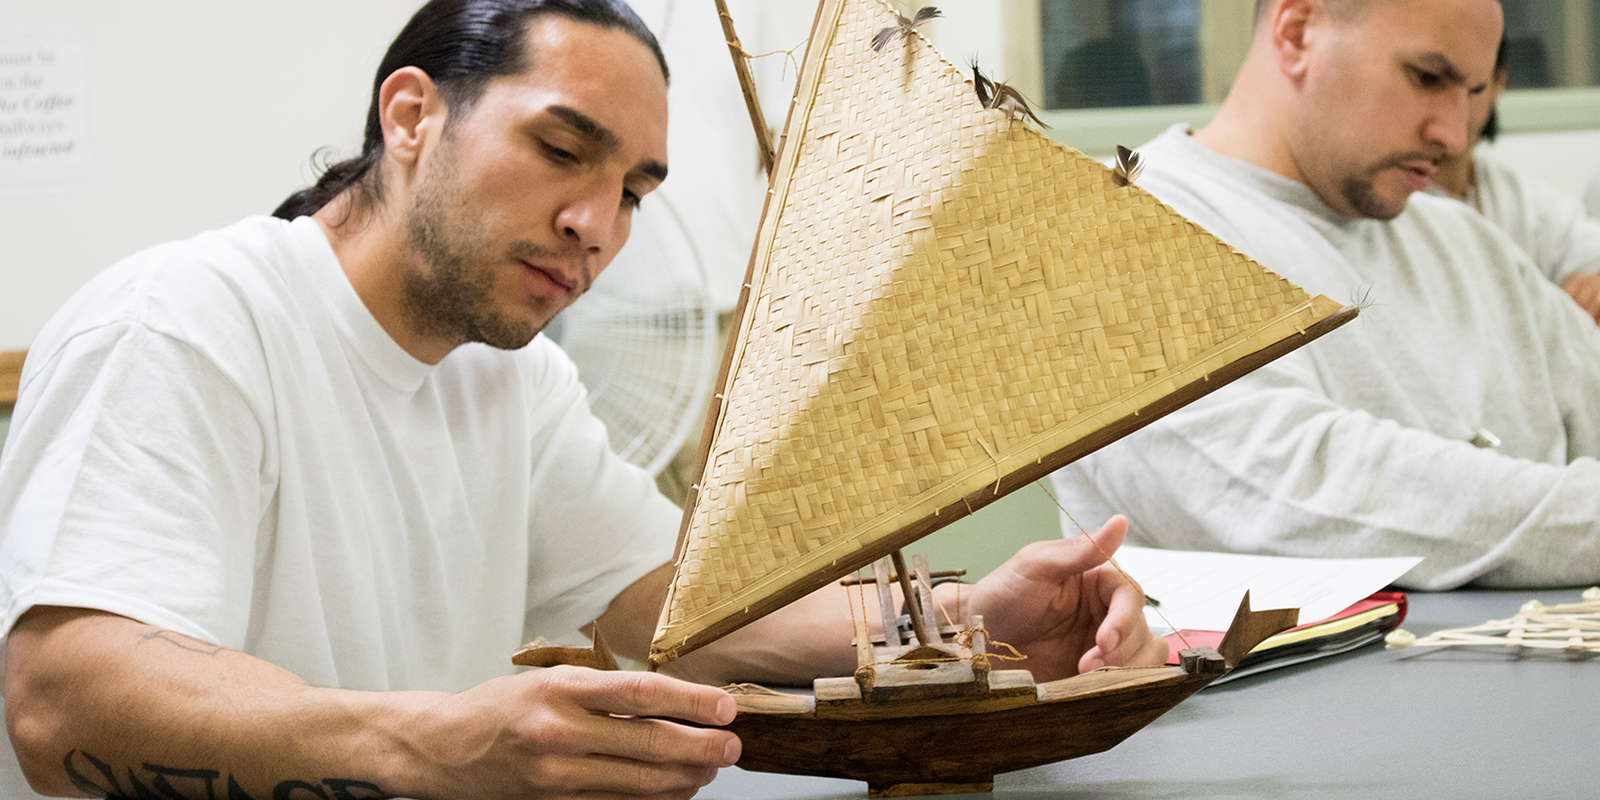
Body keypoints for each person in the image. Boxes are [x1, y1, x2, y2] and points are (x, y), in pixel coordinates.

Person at [0, 1, 1167, 798]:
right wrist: (437, 746)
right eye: (563, 150)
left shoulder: (511, 371)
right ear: (409, 116)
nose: (596, 227)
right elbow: (60, 700)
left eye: (633, 193)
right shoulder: (181, 323)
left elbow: (673, 607)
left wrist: (967, 619)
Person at [1050, 0, 1600, 590]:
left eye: (1471, 91)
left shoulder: (1466, 243)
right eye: (1427, 77)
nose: (1455, 133)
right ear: (1297, 33)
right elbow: (1284, 493)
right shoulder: (1113, 228)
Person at [1427, 37, 1600, 322]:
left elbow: (1585, 246)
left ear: (1498, 84)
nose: (1452, 107)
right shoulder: (1382, 205)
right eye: (1429, 80)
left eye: (1473, 87)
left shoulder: (1519, 199)